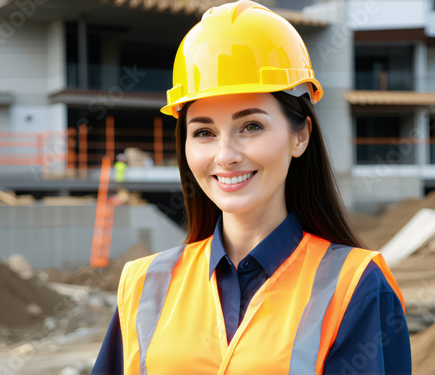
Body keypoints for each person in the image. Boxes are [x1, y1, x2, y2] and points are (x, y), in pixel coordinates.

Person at [92, 1, 411, 374]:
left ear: (300, 136)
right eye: (204, 132)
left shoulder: (355, 286)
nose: (225, 155)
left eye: (251, 126)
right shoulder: (143, 287)